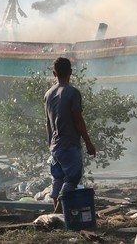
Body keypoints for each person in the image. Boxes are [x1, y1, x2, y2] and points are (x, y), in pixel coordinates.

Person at [45, 57, 96, 214]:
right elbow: (78, 120)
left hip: (54, 146)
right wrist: (88, 142)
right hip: (69, 145)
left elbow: (47, 122)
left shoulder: (48, 94)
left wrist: (50, 145)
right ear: (71, 73)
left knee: (58, 180)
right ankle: (57, 213)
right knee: (72, 179)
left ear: (54, 73)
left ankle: (58, 216)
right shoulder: (72, 92)